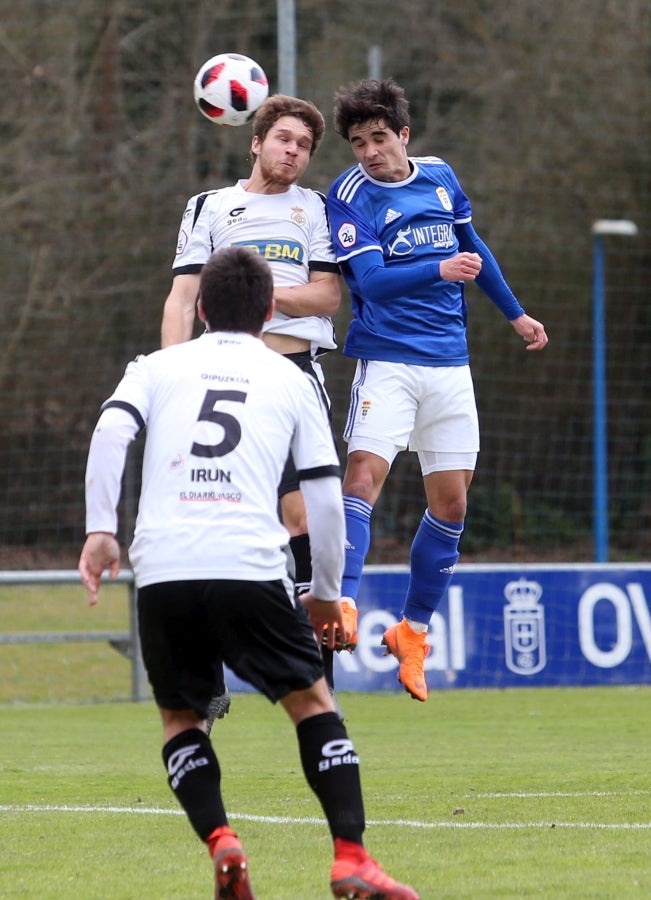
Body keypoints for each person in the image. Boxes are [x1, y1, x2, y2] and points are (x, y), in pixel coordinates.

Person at [78, 247, 419, 900]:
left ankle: (221, 840)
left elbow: (110, 432)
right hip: (249, 564)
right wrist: (324, 594)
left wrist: (100, 529)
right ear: (268, 313)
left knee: (182, 720)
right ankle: (350, 856)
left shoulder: (155, 367)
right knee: (312, 703)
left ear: (201, 308)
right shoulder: (290, 381)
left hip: (164, 569)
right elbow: (322, 496)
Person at [325, 78, 549, 703]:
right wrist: (439, 269)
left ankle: (412, 633)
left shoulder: (441, 177)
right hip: (388, 362)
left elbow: (473, 248)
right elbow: (371, 278)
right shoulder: (346, 198)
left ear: (403, 134)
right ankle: (341, 603)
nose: (368, 152)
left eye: (377, 138)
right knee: (363, 478)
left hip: (451, 366)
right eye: (356, 142)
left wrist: (515, 313)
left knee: (451, 507)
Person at [161, 94, 353, 717]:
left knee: (303, 515)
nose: (293, 152)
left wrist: (263, 291)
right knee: (214, 513)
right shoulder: (210, 207)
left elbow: (327, 295)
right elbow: (184, 295)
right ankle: (208, 683)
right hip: (224, 374)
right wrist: (174, 374)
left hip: (294, 375)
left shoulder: (316, 209)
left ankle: (317, 685)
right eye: (285, 139)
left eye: (304, 146)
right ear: (256, 140)